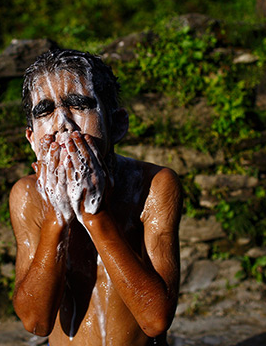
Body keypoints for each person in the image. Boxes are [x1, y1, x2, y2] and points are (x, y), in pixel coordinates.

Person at [10, 49, 182, 345]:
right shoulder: (28, 195)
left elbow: (155, 320)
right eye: (45, 111)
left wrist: (94, 214)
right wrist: (57, 216)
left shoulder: (152, 185)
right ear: (32, 139)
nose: (62, 122)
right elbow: (35, 322)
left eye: (79, 105)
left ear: (117, 124)